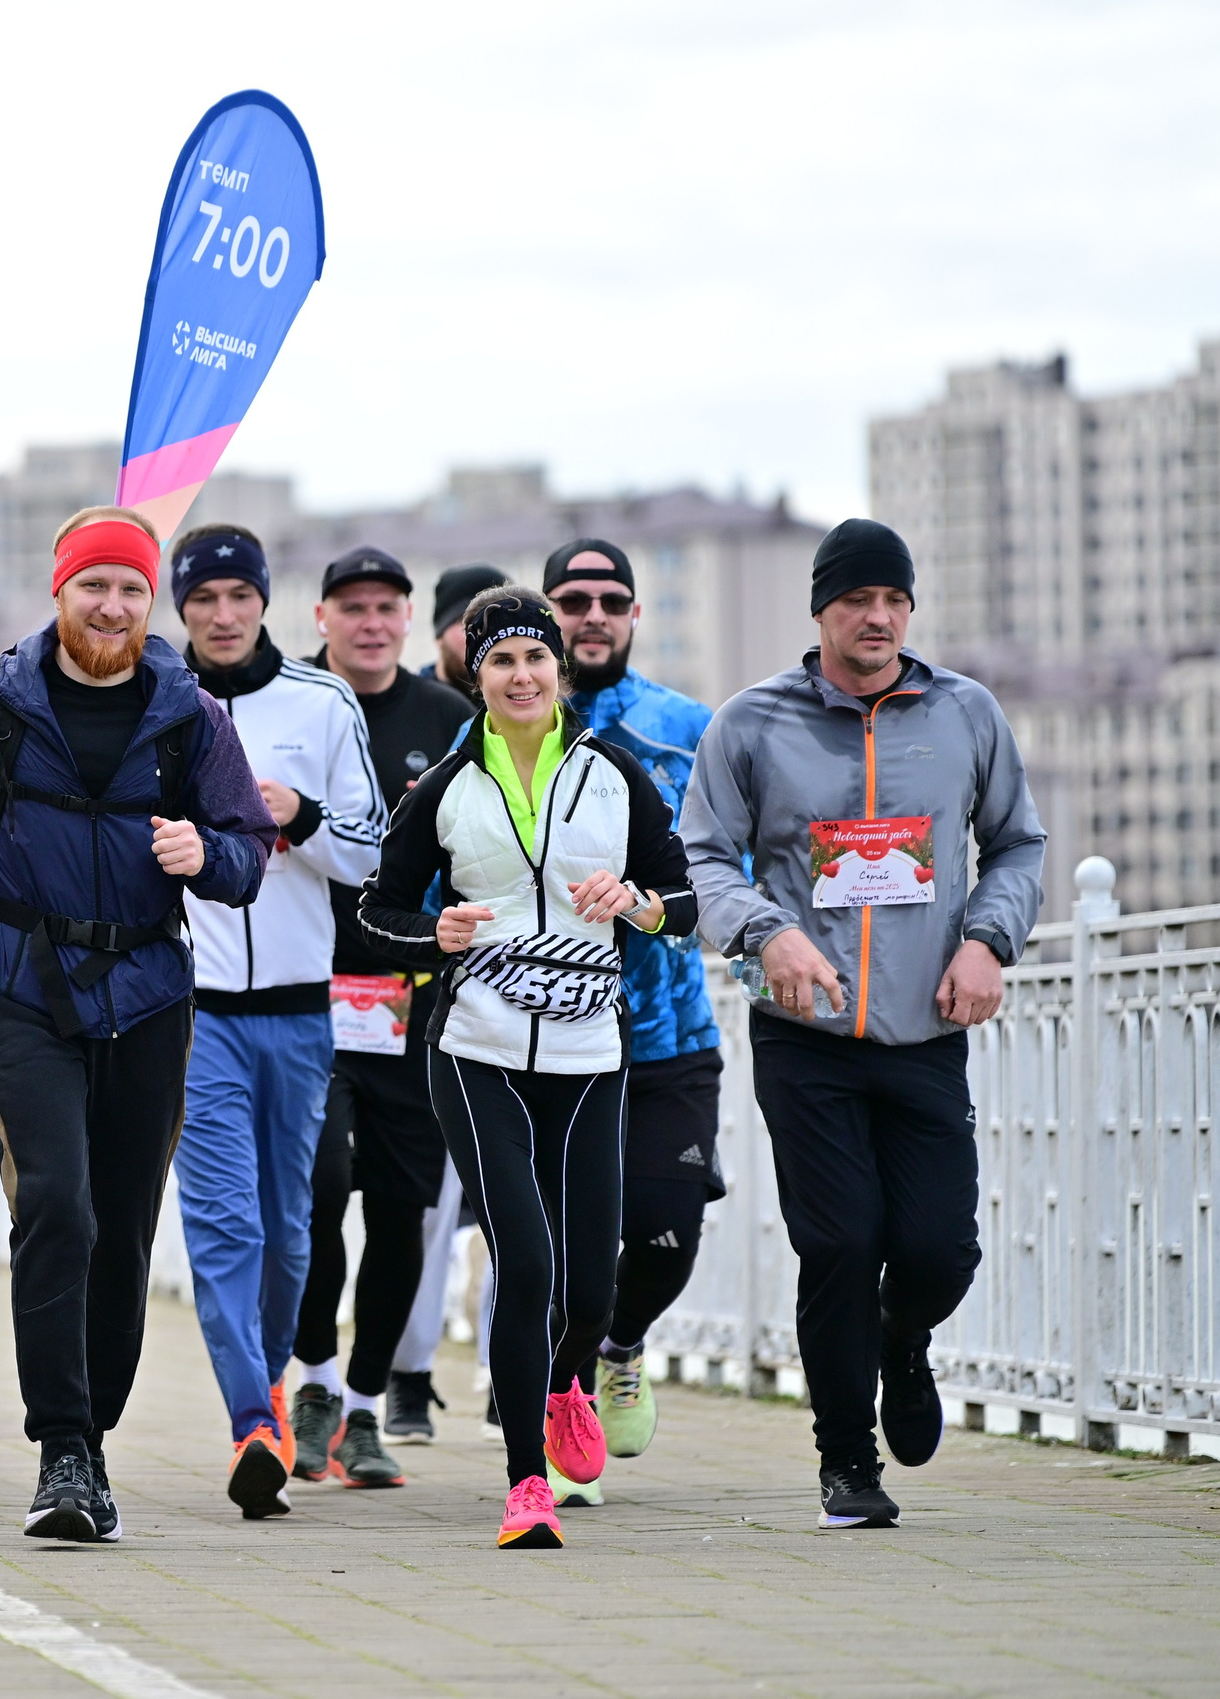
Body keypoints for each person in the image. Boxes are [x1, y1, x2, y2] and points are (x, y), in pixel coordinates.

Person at [0, 506, 274, 1544]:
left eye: (130, 588)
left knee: (123, 1220)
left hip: (149, 991)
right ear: (58, 591)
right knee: (56, 1201)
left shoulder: (191, 714)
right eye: (92, 585)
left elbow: (247, 848)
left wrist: (208, 854)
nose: (111, 605)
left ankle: (91, 1435)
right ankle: (62, 1445)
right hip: (25, 981)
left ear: (150, 602)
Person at [681, 518, 1044, 1531]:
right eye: (855, 600)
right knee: (838, 1240)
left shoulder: (965, 712)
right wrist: (766, 933)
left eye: (892, 599)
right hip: (805, 1032)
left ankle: (901, 1339)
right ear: (821, 610)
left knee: (938, 1250)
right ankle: (846, 1458)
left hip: (926, 1029)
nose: (876, 616)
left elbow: (1016, 844)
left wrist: (988, 940)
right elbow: (702, 855)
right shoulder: (752, 723)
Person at [359, 586, 696, 1551]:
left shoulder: (615, 774)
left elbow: (684, 900)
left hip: (591, 1050)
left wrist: (636, 902)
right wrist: (436, 931)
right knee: (528, 1259)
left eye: (535, 658)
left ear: (559, 668)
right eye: (500, 660)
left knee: (590, 1288)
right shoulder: (444, 787)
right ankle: (525, 1484)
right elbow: (377, 911)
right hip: (478, 1047)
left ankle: (565, 1385)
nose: (520, 676)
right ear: (476, 674)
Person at [166, 525, 385, 1518]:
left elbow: (370, 853)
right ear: (181, 607)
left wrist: (297, 813)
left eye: (238, 597)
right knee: (226, 1221)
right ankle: (252, 1419)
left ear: (264, 602)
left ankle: (266, 1383)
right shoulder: (154, 700)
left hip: (300, 1008)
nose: (222, 615)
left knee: (292, 1231)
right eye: (203, 598)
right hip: (193, 1006)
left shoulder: (322, 700)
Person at [537, 537, 727, 1504]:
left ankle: (620, 1346)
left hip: (669, 1030)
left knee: (665, 1235)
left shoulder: (685, 728)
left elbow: (728, 863)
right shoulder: (508, 726)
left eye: (613, 600)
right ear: (548, 613)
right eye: (574, 600)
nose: (594, 616)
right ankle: (561, 1410)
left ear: (636, 615)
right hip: (550, 1031)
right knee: (563, 1245)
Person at [289, 546, 474, 1479]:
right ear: (320, 616)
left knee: (403, 1209)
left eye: (385, 608)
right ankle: (314, 1381)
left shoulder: (447, 718)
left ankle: (364, 1407)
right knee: (317, 1191)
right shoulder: (295, 704)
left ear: (409, 620)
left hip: (415, 998)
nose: (369, 623)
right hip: (302, 992)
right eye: (351, 607)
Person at [421, 563, 511, 696]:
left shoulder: (529, 702)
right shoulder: (410, 704)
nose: (487, 637)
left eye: (500, 624)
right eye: (469, 624)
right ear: (440, 637)